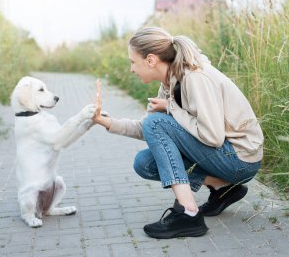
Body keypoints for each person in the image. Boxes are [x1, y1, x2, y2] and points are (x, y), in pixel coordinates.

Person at [93, 27, 264, 239]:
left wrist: (171, 108)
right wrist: (105, 121)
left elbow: (213, 136)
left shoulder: (196, 78)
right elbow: (148, 128)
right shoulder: (169, 83)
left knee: (156, 122)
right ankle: (225, 190)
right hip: (222, 156)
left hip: (240, 159)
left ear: (151, 60)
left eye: (132, 61)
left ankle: (189, 214)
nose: (131, 69)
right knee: (144, 163)